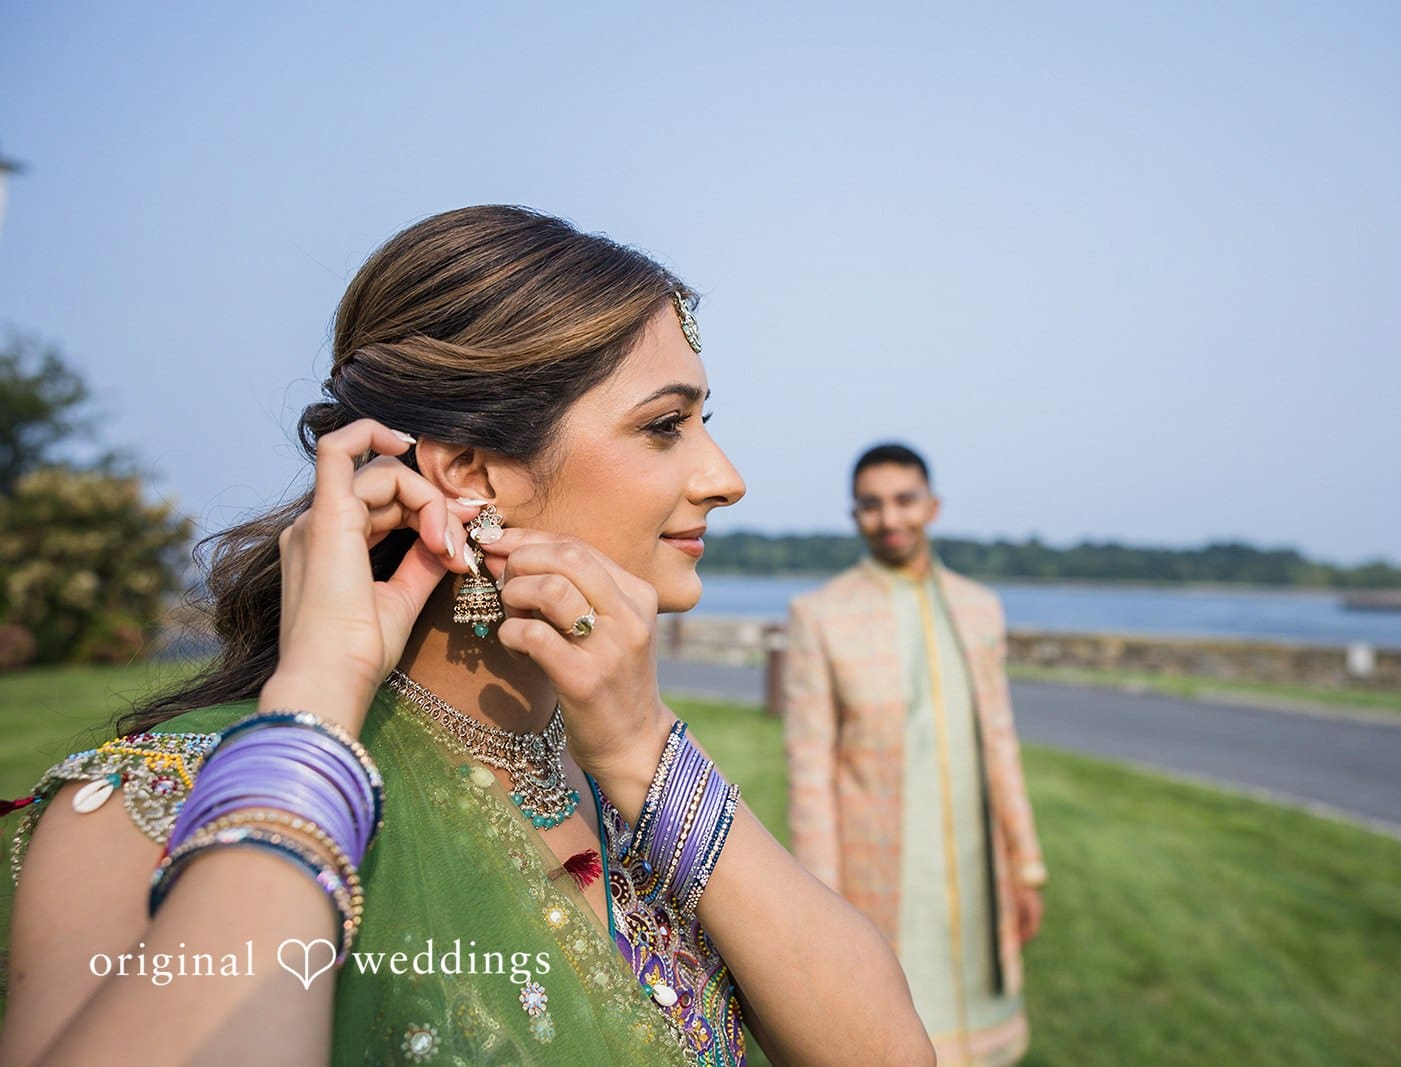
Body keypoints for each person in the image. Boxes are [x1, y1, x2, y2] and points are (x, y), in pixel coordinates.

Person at [0, 207, 934, 1067]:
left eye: (705, 423)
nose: (725, 476)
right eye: (665, 426)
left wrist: (642, 746)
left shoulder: (616, 776)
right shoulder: (148, 810)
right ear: (470, 471)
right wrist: (316, 704)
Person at [780, 444, 1048, 1067]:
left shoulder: (980, 608)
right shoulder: (821, 616)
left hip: (978, 862)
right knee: (892, 1031)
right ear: (855, 516)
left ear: (932, 506)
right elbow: (809, 770)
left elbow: (1001, 742)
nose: (890, 518)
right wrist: (826, 902)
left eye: (904, 500)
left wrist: (1026, 864)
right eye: (871, 505)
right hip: (879, 864)